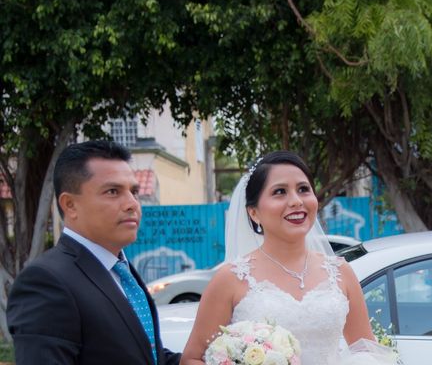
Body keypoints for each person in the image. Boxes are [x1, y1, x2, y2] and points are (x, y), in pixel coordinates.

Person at [181, 150, 397, 365]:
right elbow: (191, 359)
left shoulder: (341, 272)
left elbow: (366, 352)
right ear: (253, 212)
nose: (295, 201)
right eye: (280, 192)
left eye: (303, 189)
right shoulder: (230, 278)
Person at [7, 140, 181, 365]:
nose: (132, 204)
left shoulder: (119, 270)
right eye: (112, 191)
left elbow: (146, 355)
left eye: (134, 192)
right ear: (70, 205)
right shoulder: (46, 282)